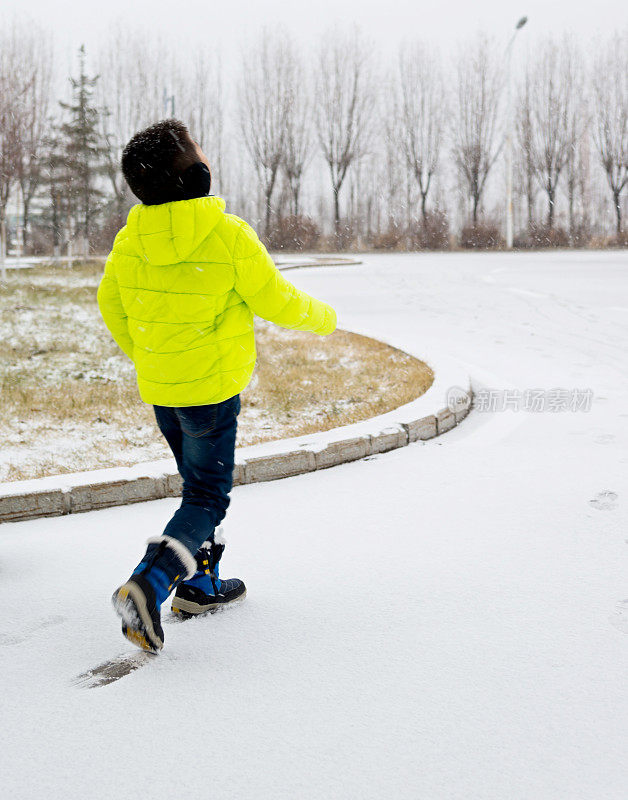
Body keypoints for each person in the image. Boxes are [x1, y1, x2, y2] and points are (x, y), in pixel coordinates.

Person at [98, 119, 337, 653]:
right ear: (199, 176)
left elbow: (110, 304)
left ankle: (200, 586)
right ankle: (148, 584)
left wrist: (150, 355)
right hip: (210, 393)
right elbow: (276, 300)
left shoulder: (130, 238)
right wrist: (324, 317)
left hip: (164, 390)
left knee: (194, 488)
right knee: (207, 496)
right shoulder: (227, 234)